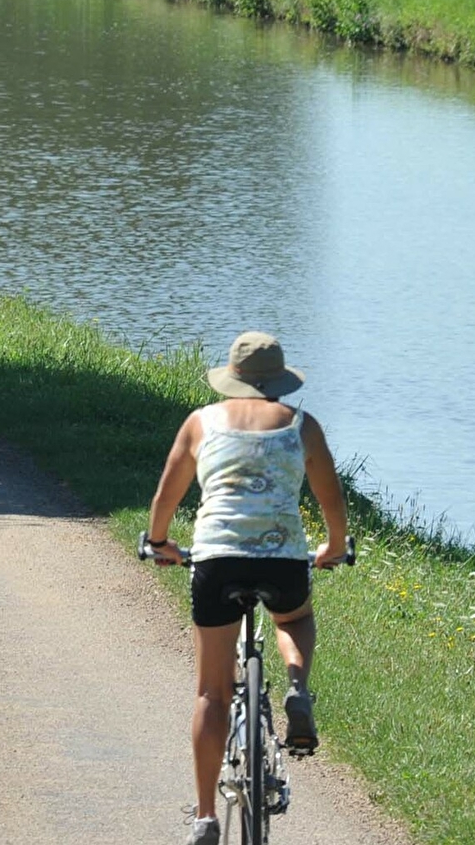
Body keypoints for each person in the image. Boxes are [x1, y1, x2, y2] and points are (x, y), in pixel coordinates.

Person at [144, 331, 348, 845]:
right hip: (281, 561)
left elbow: (168, 490)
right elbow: (331, 496)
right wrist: (333, 546)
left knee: (211, 692)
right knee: (294, 618)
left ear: (231, 379)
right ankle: (298, 690)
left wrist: (159, 541)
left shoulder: (201, 422)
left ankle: (207, 818)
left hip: (216, 560)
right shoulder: (302, 428)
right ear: (279, 383)